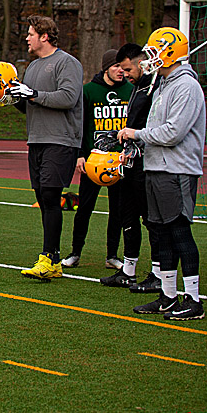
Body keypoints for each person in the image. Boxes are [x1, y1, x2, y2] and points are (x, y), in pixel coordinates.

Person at [122, 27, 207, 321]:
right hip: (157, 167)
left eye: (155, 51)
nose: (149, 57)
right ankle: (168, 296)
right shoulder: (162, 83)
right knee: (160, 233)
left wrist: (136, 134)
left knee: (179, 231)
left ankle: (193, 299)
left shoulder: (186, 86)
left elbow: (173, 132)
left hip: (177, 169)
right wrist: (137, 147)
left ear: (170, 53)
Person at [11, 15, 84, 281]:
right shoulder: (32, 67)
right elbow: (30, 105)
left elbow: (68, 97)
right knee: (43, 198)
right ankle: (52, 258)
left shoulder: (67, 62)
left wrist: (33, 94)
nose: (27, 38)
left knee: (52, 196)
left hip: (61, 139)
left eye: (30, 34)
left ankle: (50, 258)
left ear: (44, 36)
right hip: (37, 140)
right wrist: (11, 97)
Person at [62, 49, 132, 269]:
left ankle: (112, 255)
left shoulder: (130, 90)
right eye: (116, 66)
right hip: (94, 161)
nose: (121, 71)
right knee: (84, 208)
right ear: (106, 68)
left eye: (122, 67)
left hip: (119, 161)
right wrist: (80, 155)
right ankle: (75, 252)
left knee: (118, 210)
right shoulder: (88, 91)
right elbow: (80, 125)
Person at [102, 43, 161, 292]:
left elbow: (153, 127)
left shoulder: (156, 87)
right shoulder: (137, 87)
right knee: (127, 214)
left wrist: (134, 137)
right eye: (122, 69)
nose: (125, 74)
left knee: (152, 219)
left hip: (148, 165)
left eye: (128, 69)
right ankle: (128, 270)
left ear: (141, 63)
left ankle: (159, 272)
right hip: (131, 162)